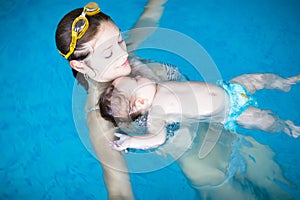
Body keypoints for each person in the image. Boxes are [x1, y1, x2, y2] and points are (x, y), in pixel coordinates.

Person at [56, 2, 295, 199]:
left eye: (120, 39)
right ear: (79, 65)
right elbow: (118, 188)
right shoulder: (99, 116)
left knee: (284, 187)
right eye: (108, 53)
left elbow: (148, 21)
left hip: (229, 130)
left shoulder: (126, 55)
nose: (122, 52)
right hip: (206, 169)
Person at [99, 73, 300, 151]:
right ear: (140, 101)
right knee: (266, 121)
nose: (138, 76)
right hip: (233, 112)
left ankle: (285, 82)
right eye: (136, 80)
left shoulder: (155, 87)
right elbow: (157, 138)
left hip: (230, 88)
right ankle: (287, 127)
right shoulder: (157, 113)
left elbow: (123, 84)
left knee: (261, 79)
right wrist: (133, 141)